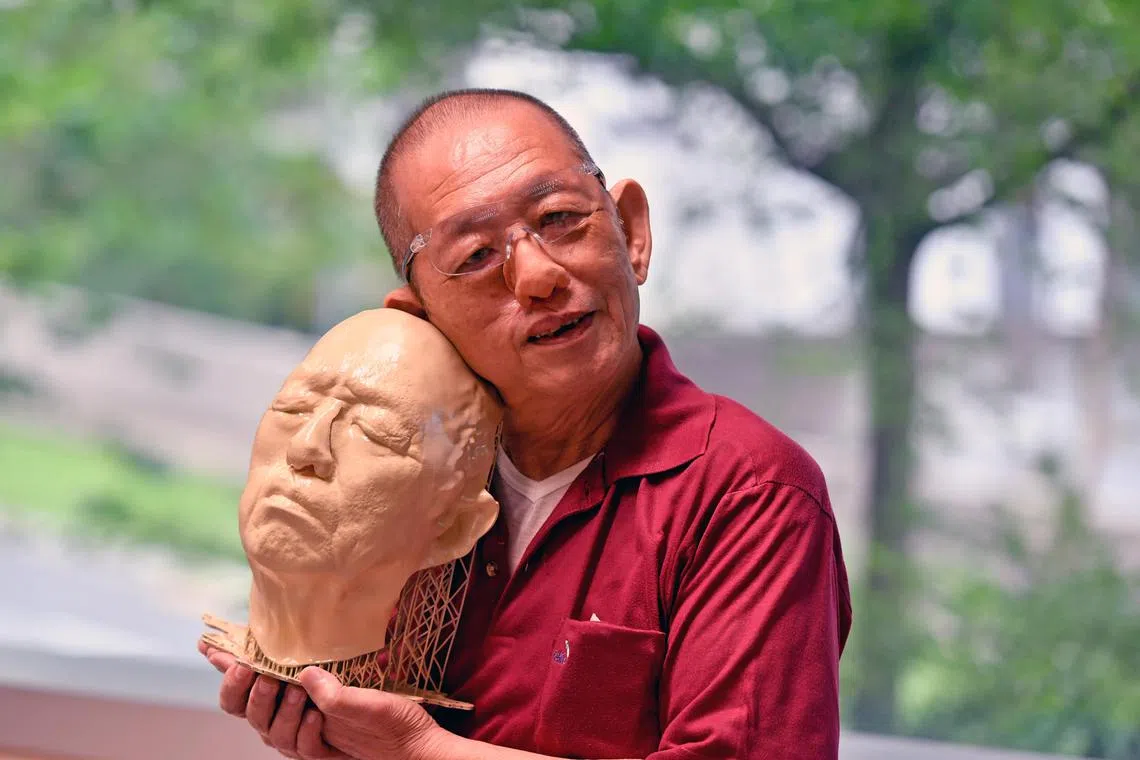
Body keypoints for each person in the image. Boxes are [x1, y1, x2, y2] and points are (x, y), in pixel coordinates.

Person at [200, 88, 853, 760]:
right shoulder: (409, 476)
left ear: (630, 232)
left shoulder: (750, 491)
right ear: (420, 314)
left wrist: (420, 751)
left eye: (562, 217)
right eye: (477, 256)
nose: (539, 275)